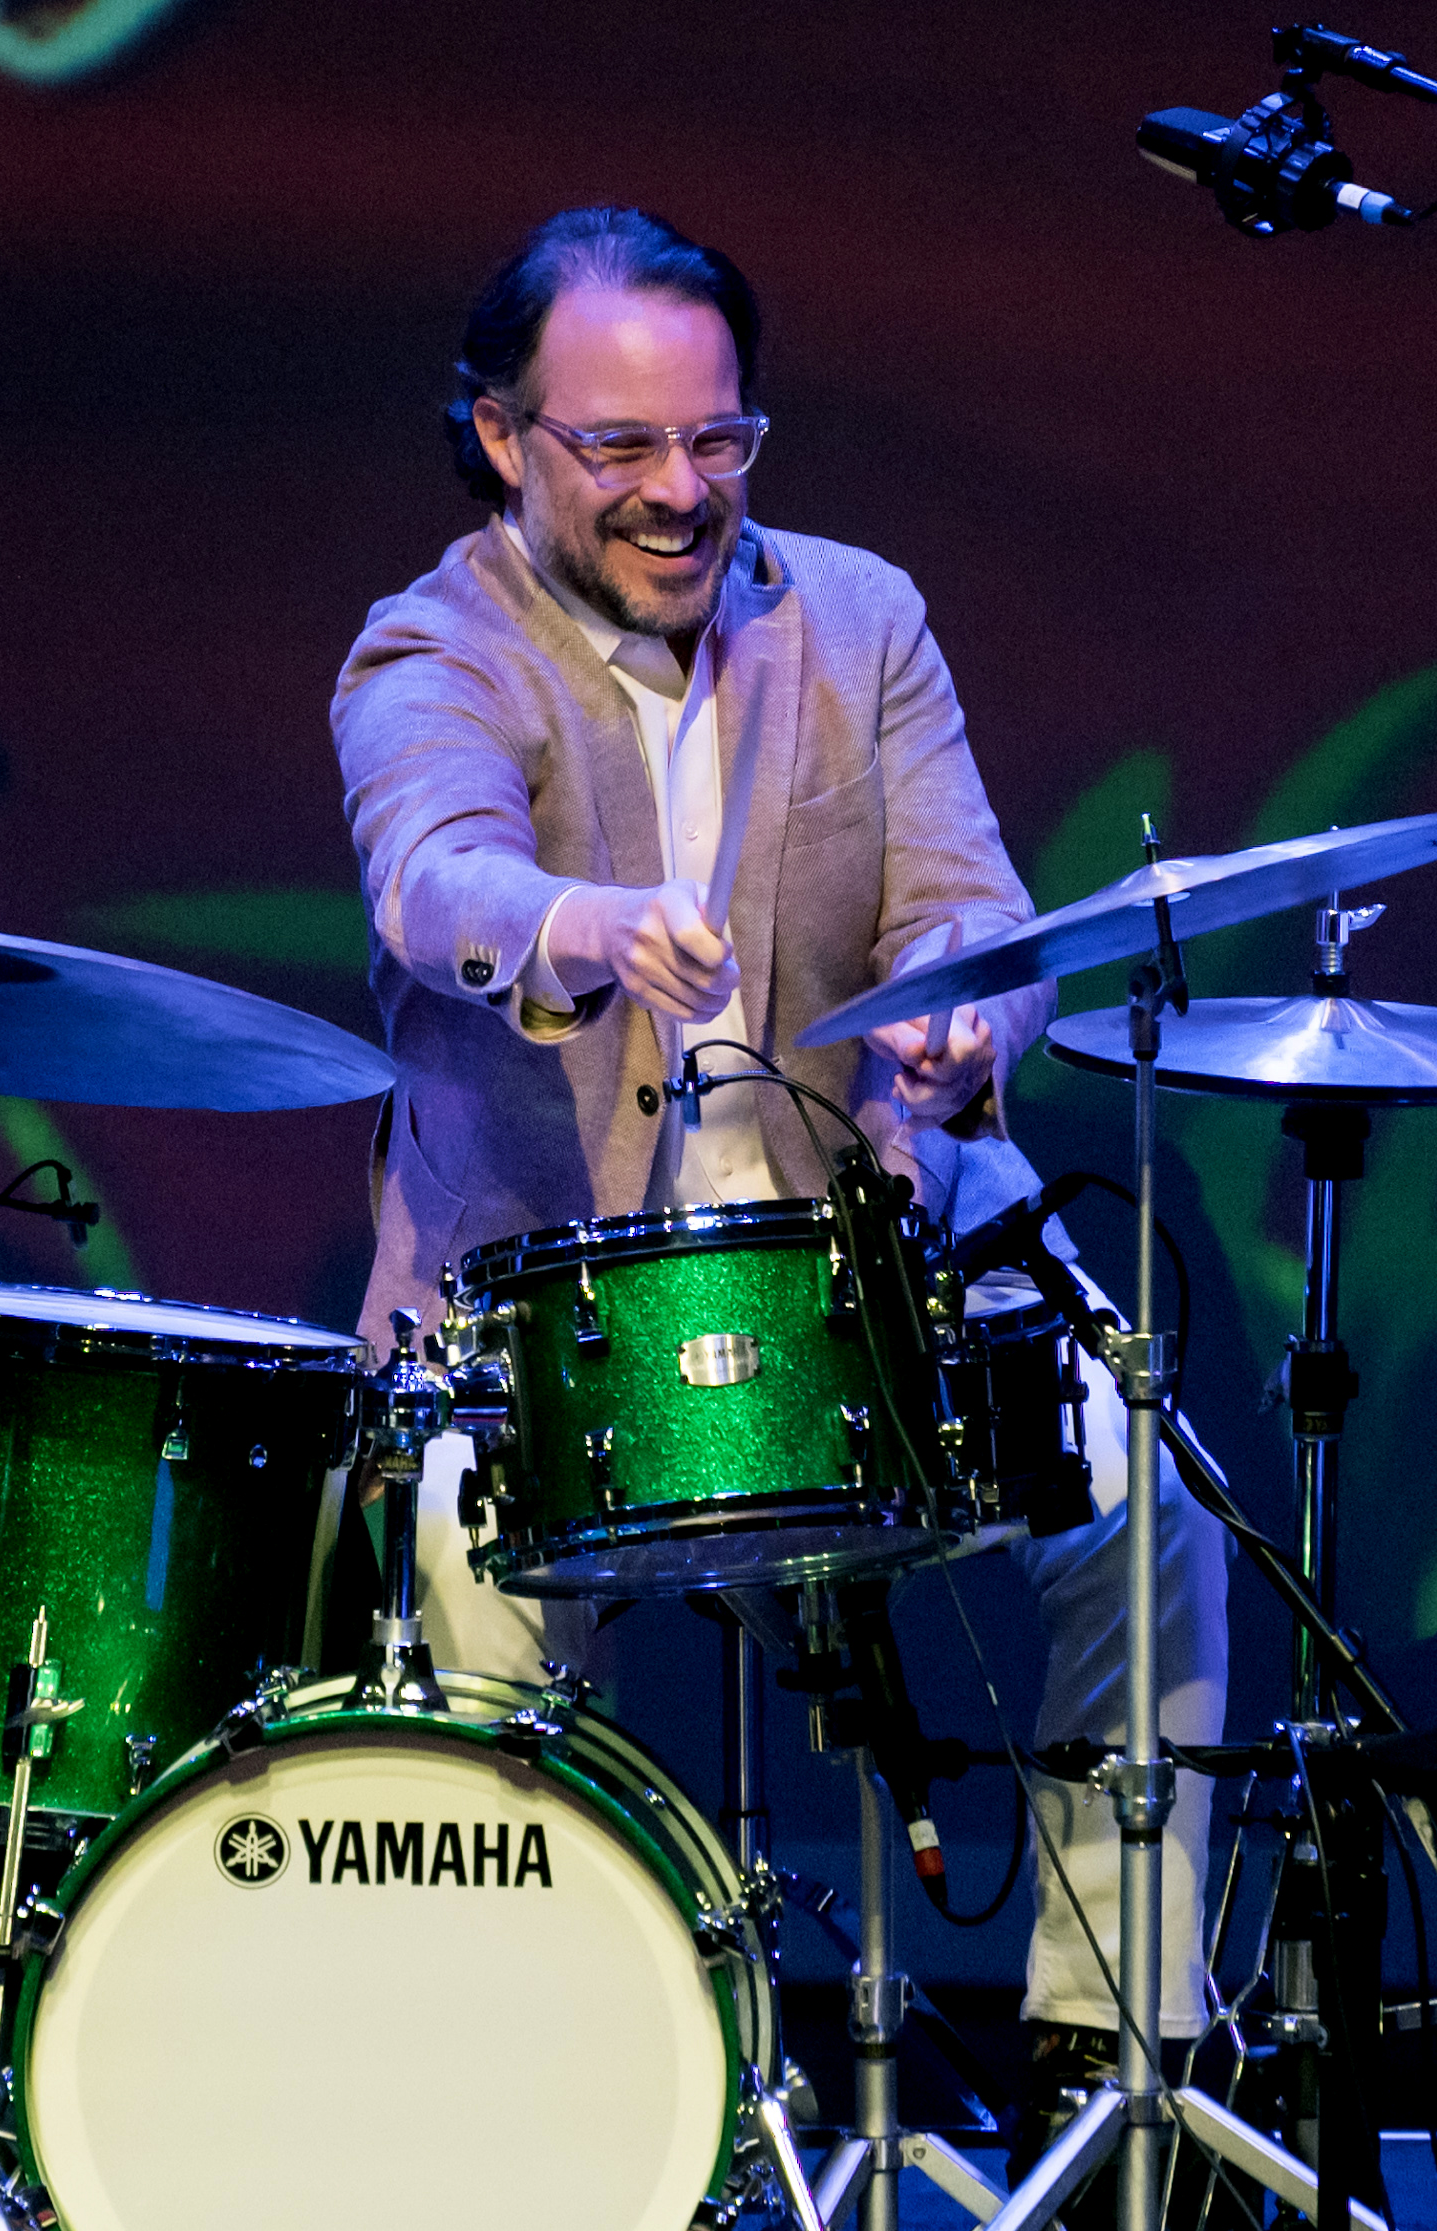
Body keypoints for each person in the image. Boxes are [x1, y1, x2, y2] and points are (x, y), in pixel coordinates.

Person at [334, 206, 1225, 2105]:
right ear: (499, 436)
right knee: (457, 1567)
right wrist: (579, 924)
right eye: (621, 446)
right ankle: (524, 2101)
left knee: (1151, 1499)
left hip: (870, 1268)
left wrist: (969, 1023)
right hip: (548, 1315)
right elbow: (432, 879)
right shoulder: (429, 646)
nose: (681, 491)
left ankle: (1118, 2060)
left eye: (717, 439)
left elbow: (979, 914)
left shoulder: (858, 616)